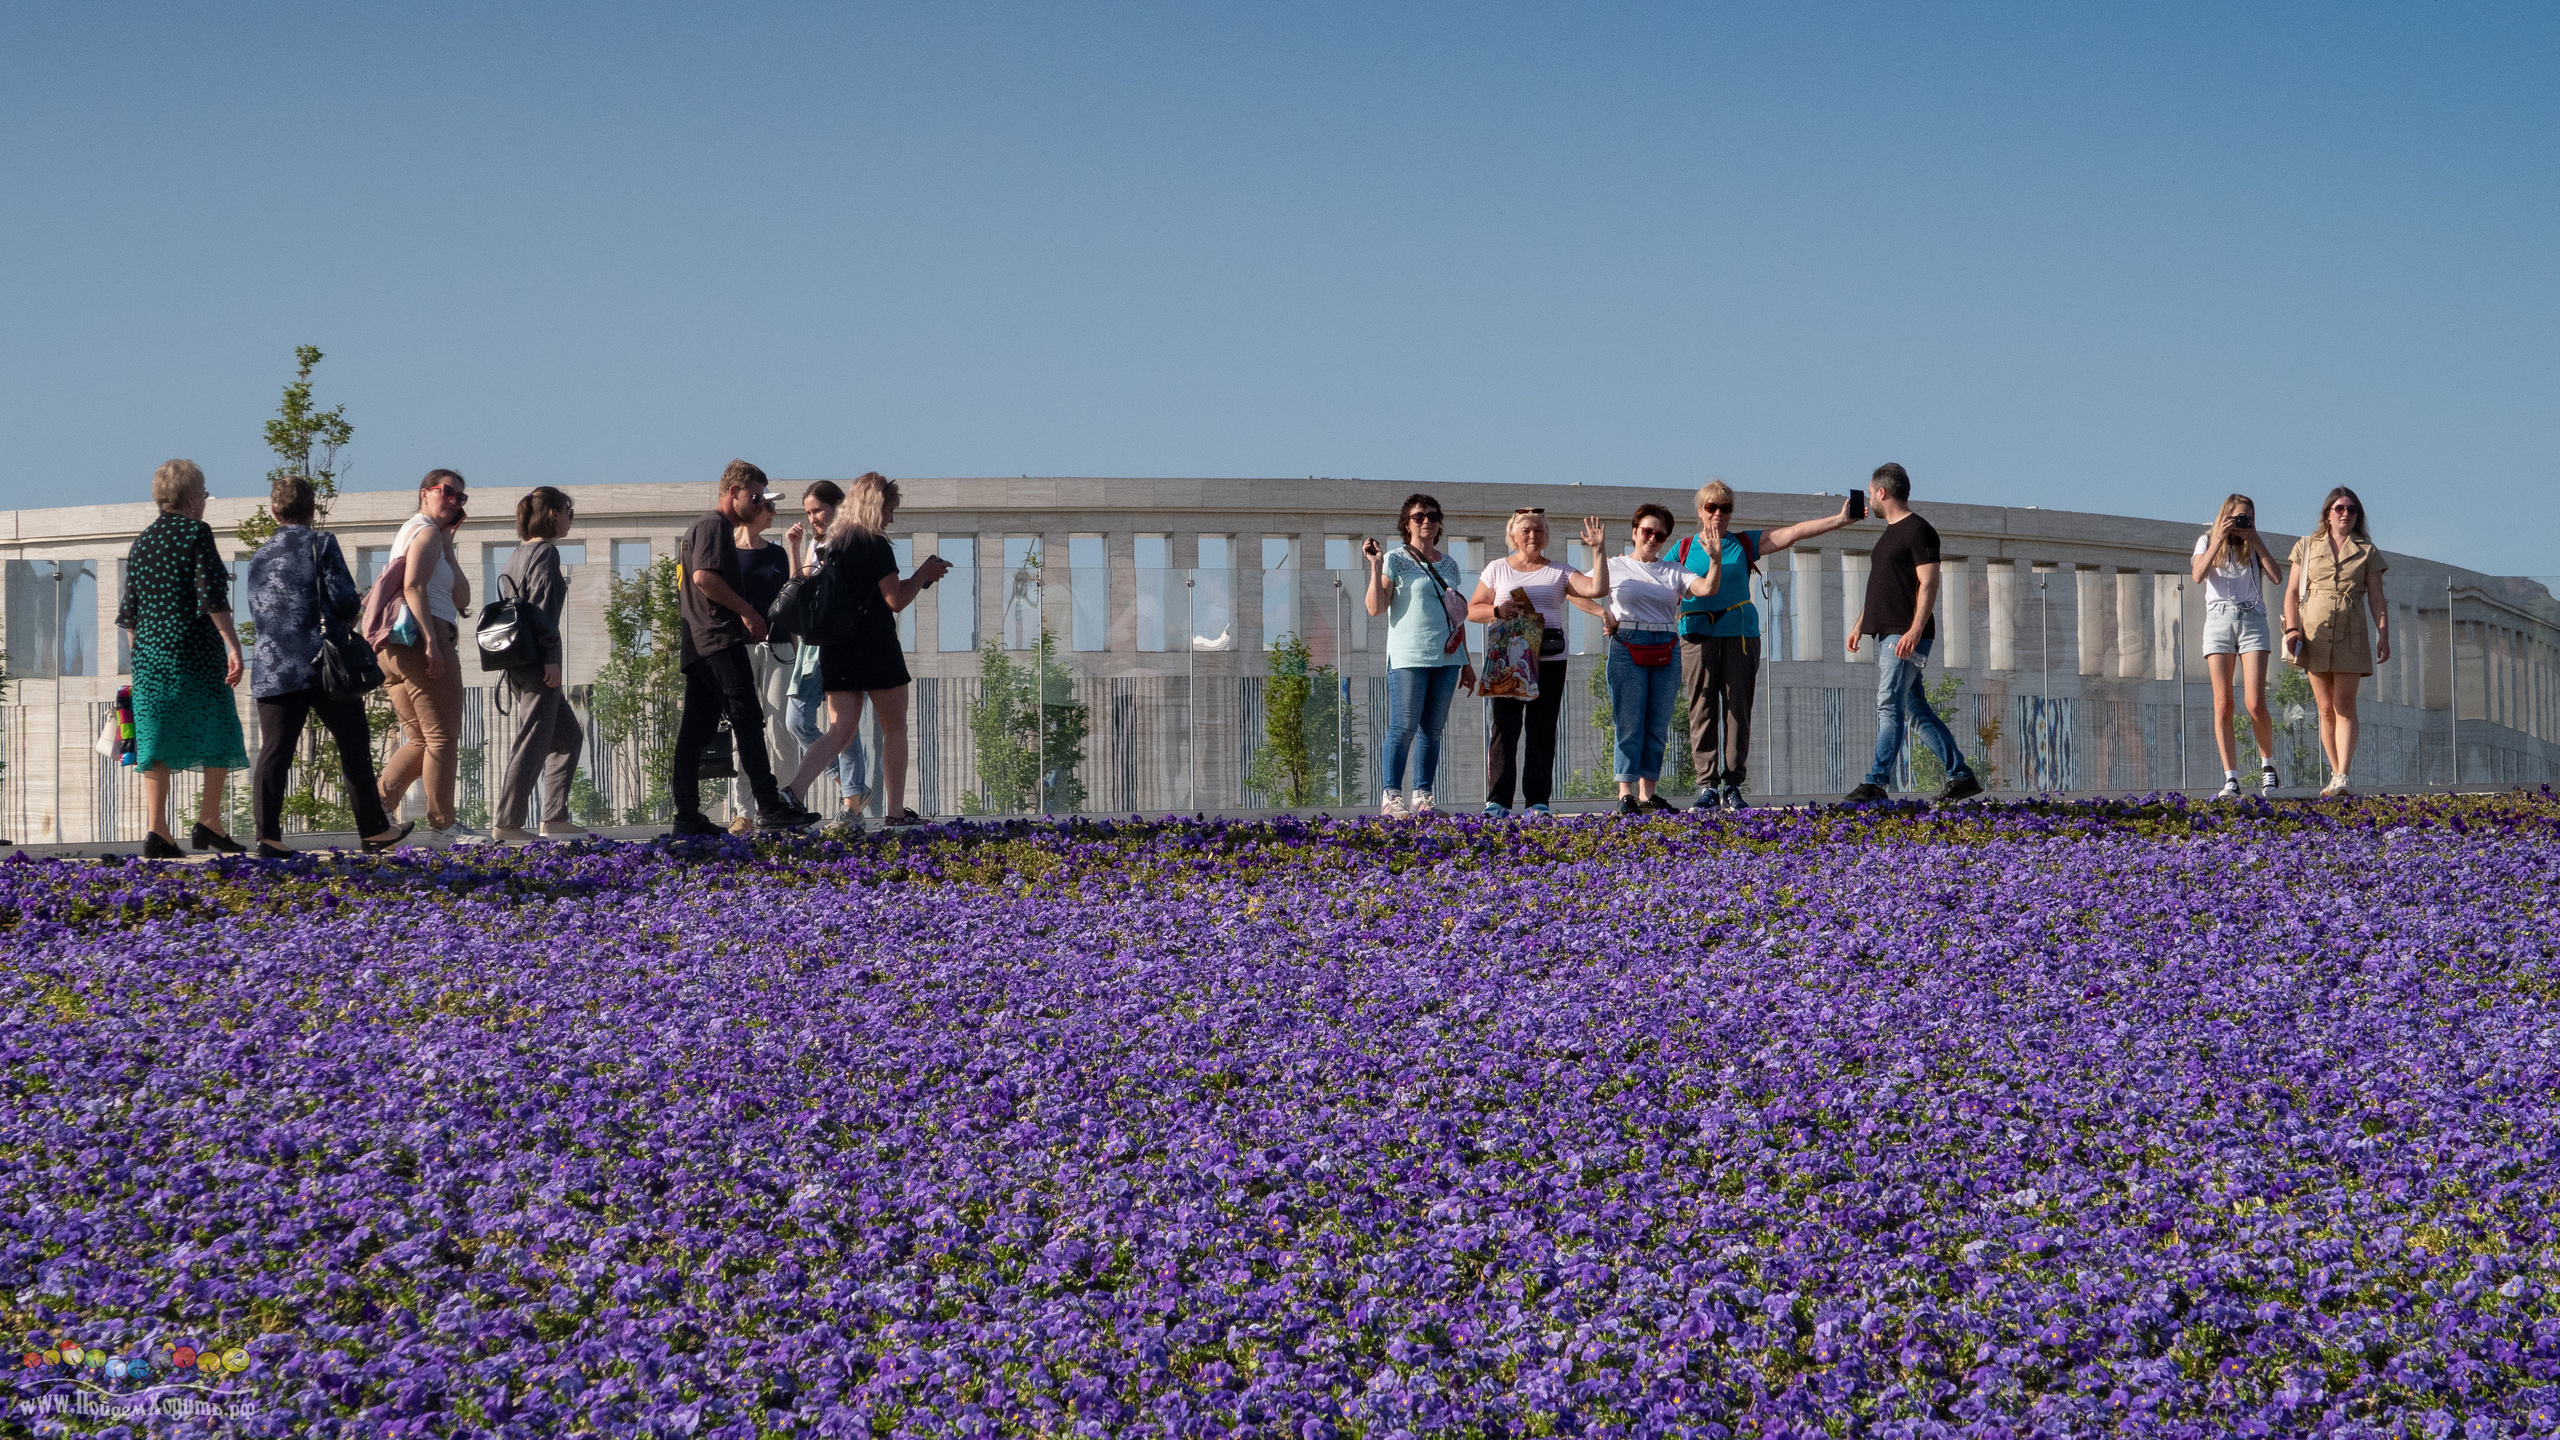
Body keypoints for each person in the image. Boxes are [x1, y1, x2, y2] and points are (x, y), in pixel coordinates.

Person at [244, 474, 412, 858]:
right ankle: (373, 830)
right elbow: (343, 600)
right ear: (312, 509)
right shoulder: (321, 543)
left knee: (275, 752)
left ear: (274, 511)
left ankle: (268, 837)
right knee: (352, 745)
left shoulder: (259, 555)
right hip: (322, 663)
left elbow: (260, 610)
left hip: (273, 666)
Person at [1675, 480, 1859, 809]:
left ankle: (1732, 784)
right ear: (1700, 511)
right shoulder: (1684, 547)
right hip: (1697, 636)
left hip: (1740, 635)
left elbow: (1794, 533)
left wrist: (1840, 519)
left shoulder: (1743, 543)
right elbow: (1663, 584)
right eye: (1711, 507)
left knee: (1737, 710)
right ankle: (1707, 786)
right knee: (1701, 709)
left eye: (1725, 508)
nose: (1718, 514)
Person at [782, 472, 949, 826]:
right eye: (889, 510)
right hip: (876, 647)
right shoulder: (875, 545)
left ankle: (792, 793)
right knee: (894, 730)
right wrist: (924, 573)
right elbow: (895, 599)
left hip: (836, 649)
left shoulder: (831, 546)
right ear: (877, 507)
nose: (891, 518)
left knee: (839, 730)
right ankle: (895, 812)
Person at [669, 460, 817, 836]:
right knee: (748, 721)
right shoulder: (714, 526)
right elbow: (703, 577)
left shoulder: (705, 527)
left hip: (702, 645)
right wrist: (748, 612)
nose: (758, 504)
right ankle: (768, 806)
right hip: (719, 639)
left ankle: (687, 815)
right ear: (733, 492)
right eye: (754, 497)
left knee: (696, 731)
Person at [118, 459, 250, 858]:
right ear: (193, 499)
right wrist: (233, 645)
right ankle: (209, 820)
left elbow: (129, 614)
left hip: (150, 659)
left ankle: (158, 831)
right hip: (194, 654)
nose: (205, 502)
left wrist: (141, 657)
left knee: (155, 740)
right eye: (205, 494)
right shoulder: (196, 532)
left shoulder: (141, 542)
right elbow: (212, 596)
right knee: (220, 729)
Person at [1844, 463, 1983, 805]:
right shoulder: (1890, 533)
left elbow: (1929, 582)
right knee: (1915, 712)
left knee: (1888, 704)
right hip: (1888, 634)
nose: (1870, 498)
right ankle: (1961, 776)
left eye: (1871, 491)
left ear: (1882, 492)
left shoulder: (1919, 531)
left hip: (1904, 637)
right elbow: (1884, 587)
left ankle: (1876, 782)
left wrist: (1915, 629)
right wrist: (1861, 622)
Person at [1466, 509, 1610, 818]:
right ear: (1513, 536)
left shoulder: (1559, 571)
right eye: (1526, 530)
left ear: (1546, 536)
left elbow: (1597, 589)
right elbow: (1473, 609)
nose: (1533, 536)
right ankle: (1498, 801)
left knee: (1542, 729)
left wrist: (1598, 550)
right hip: (1510, 660)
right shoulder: (1497, 569)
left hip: (1549, 658)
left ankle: (1537, 802)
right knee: (1505, 728)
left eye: (1539, 531)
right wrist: (1497, 610)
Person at [377, 468, 485, 844]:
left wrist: (449, 544)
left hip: (395, 648)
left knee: (421, 737)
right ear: (425, 492)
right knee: (442, 737)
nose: (455, 501)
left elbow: (463, 598)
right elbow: (413, 586)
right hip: (424, 637)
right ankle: (443, 825)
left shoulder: (426, 535)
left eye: (461, 497)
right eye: (447, 492)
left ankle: (377, 812)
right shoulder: (423, 531)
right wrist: (431, 643)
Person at [1596, 504, 1721, 812]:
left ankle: (1647, 792)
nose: (1652, 538)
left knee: (1657, 722)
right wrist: (1604, 613)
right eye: (1647, 531)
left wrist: (1715, 560)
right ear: (1634, 531)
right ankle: (1625, 792)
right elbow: (1577, 590)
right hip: (1627, 641)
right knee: (1629, 722)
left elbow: (1705, 588)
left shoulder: (1672, 570)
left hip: (1665, 643)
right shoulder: (1615, 565)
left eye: (1660, 535)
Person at [1360, 493, 1475, 816]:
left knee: (1432, 730)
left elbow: (1456, 615)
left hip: (1448, 657)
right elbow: (1375, 608)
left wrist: (1466, 662)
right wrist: (1375, 565)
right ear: (1406, 523)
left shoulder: (1449, 564)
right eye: (1419, 516)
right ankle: (1391, 797)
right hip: (1408, 656)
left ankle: (1423, 797)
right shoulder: (1395, 559)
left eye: (1433, 515)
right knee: (1403, 726)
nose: (1427, 521)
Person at [490, 486, 588, 843]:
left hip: (518, 661)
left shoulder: (516, 554)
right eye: (566, 510)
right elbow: (543, 609)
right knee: (532, 741)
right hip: (538, 662)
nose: (569, 517)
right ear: (550, 513)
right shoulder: (546, 552)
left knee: (567, 736)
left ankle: (554, 816)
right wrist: (552, 658)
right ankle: (507, 823)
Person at [2283, 486, 2390, 797]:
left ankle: (2343, 774)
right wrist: (2292, 630)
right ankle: (2335, 773)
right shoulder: (2306, 546)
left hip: (2350, 631)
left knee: (2344, 704)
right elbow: (2291, 592)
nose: (2346, 513)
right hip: (2314, 631)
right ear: (2327, 513)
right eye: (2339, 508)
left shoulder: (2367, 551)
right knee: (2325, 708)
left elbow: (2377, 598)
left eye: (2352, 509)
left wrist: (2383, 632)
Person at [783, 480, 879, 819]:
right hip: (813, 643)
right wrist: (795, 549)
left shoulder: (850, 541)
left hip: (839, 641)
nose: (813, 519)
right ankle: (848, 783)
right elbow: (801, 590)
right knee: (796, 718)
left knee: (843, 721)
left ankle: (852, 801)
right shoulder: (816, 543)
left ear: (838, 506)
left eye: (818, 510)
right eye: (808, 513)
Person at [2192, 494, 2286, 799]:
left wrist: (2254, 538)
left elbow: (2276, 576)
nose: (2242, 523)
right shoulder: (2206, 542)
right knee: (2223, 704)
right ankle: (2230, 777)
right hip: (2219, 620)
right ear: (2224, 517)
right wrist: (2220, 537)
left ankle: (2267, 766)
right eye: (2237, 518)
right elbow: (2197, 575)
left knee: (2255, 702)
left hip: (2253, 618)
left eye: (2248, 518)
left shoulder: (2253, 546)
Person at [724, 488, 797, 830]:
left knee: (781, 725)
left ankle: (784, 801)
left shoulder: (778, 554)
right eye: (766, 505)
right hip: (739, 647)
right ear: (750, 507)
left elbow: (793, 596)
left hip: (779, 645)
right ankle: (745, 810)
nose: (771, 511)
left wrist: (797, 648)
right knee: (745, 729)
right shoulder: (727, 553)